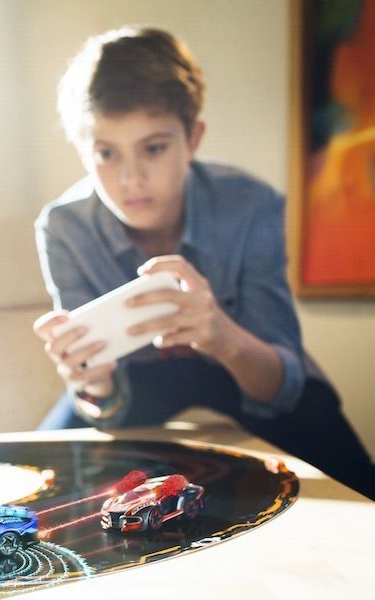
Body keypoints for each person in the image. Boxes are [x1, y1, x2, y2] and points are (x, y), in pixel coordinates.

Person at [32, 27, 374, 499]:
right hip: (138, 388)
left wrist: (217, 332)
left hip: (245, 371)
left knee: (355, 482)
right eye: (106, 153)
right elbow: (102, 399)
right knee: (40, 484)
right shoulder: (63, 228)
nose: (130, 178)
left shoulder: (251, 204)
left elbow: (284, 387)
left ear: (193, 139)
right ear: (82, 150)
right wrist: (92, 383)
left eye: (153, 148)